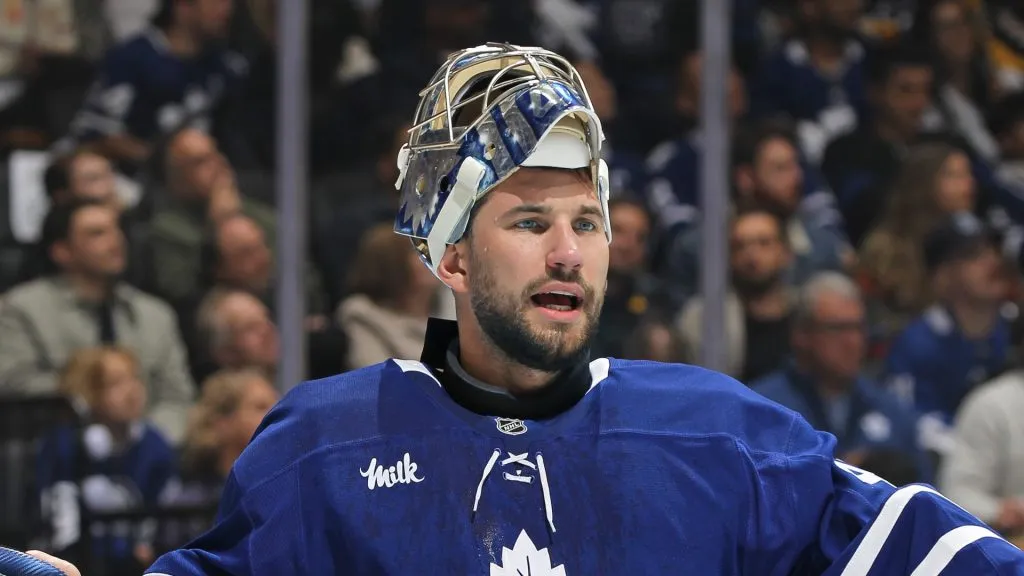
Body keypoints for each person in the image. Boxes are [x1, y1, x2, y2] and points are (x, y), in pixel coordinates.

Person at [24, 42, 1024, 576]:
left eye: (588, 221)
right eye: (530, 219)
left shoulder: (721, 437)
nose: (568, 251)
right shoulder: (320, 449)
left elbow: (935, 557)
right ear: (451, 252)